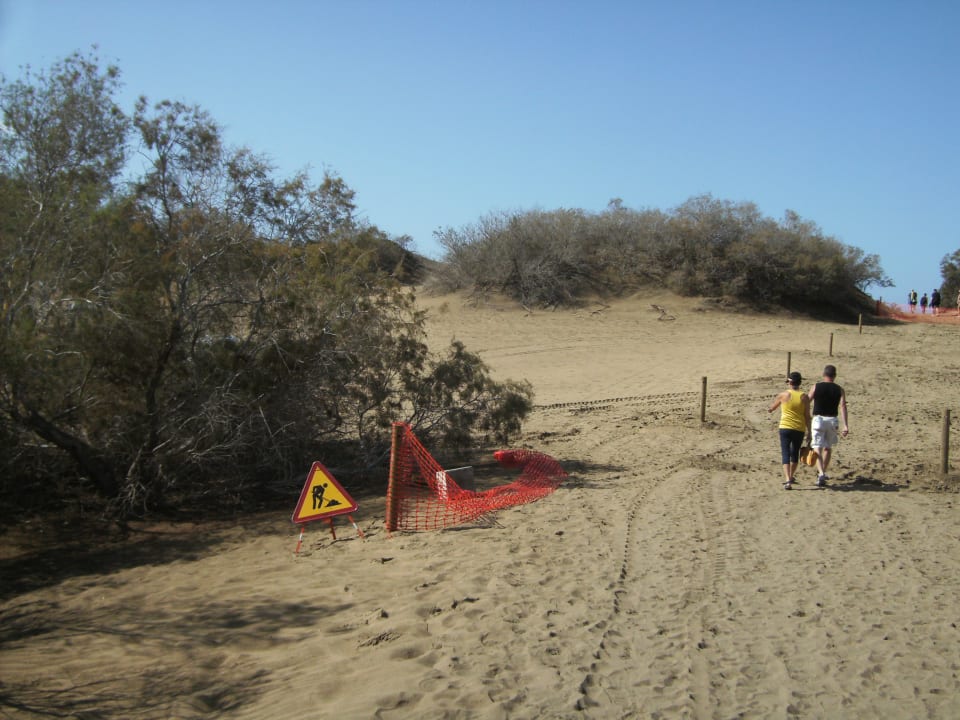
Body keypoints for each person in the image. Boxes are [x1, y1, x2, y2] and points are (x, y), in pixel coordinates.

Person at [768, 371, 811, 490]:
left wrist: (770, 409)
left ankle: (787, 480)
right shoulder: (804, 397)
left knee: (785, 452)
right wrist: (810, 432)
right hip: (799, 428)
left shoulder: (783, 395)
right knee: (795, 453)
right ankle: (791, 476)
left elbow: (773, 407)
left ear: (790, 382)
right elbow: (807, 416)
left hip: (785, 427)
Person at [807, 364, 848, 487]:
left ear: (824, 375)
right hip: (832, 420)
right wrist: (845, 425)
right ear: (834, 376)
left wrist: (805, 416)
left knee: (817, 447)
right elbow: (843, 406)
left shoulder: (816, 386)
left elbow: (807, 401)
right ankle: (822, 472)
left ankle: (821, 473)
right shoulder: (839, 389)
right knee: (828, 448)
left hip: (819, 419)